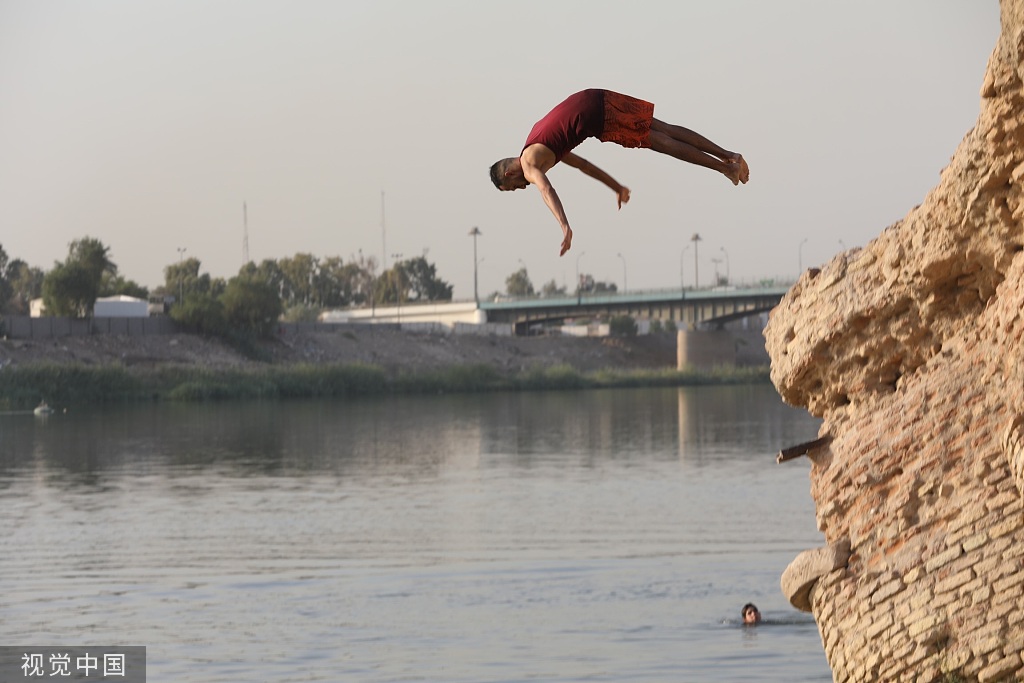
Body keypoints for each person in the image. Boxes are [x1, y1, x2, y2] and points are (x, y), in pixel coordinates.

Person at [489, 88, 749, 256]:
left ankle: (726, 167)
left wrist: (565, 226)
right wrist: (617, 187)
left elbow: (546, 190)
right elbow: (584, 166)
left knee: (661, 143)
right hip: (596, 97)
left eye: (515, 188)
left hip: (598, 116)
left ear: (509, 176)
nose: (522, 188)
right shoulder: (540, 144)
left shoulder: (530, 165)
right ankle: (729, 157)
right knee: (664, 129)